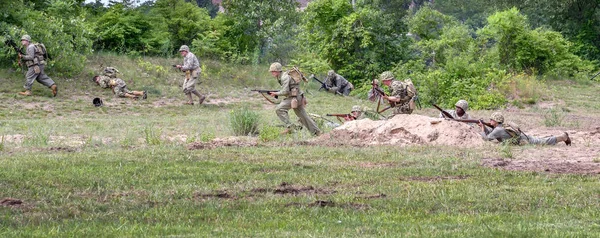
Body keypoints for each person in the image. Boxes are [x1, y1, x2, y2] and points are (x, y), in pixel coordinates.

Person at [268, 62, 322, 135]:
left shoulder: (284, 77)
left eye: (273, 71)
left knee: (279, 109)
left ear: (278, 71)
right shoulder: (282, 76)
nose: (272, 73)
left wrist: (276, 93)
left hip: (295, 98)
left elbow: (285, 91)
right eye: (271, 72)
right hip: (298, 97)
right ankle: (316, 132)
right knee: (303, 116)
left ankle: (290, 127)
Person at [479, 112, 571, 146]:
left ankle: (563, 137)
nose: (490, 120)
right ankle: (559, 137)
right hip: (522, 138)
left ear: (496, 121)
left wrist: (483, 127)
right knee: (541, 140)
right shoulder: (498, 128)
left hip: (523, 140)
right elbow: (490, 134)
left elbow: (486, 138)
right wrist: (484, 127)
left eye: (492, 119)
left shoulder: (498, 130)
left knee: (543, 142)